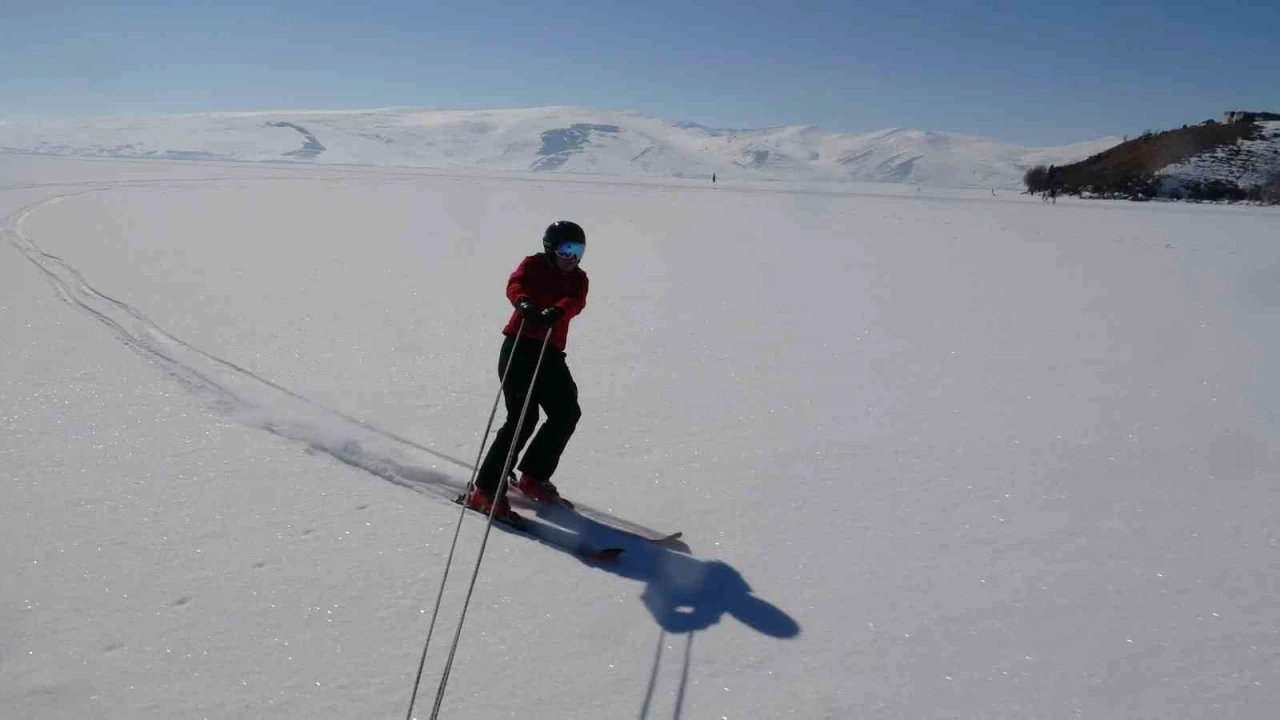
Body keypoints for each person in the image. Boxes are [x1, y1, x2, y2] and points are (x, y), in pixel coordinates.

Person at [466, 221, 590, 520]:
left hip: (549, 352)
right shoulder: (533, 264)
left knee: (566, 412)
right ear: (550, 248)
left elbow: (574, 301)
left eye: (578, 251)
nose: (571, 258)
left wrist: (557, 311)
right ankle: (485, 488)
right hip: (520, 347)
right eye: (566, 250)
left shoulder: (579, 279)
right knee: (522, 417)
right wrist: (524, 304)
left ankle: (533, 476)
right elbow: (515, 284)